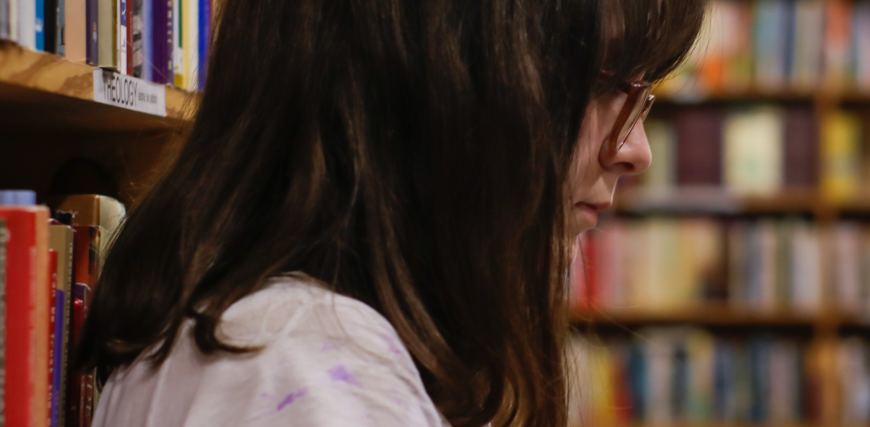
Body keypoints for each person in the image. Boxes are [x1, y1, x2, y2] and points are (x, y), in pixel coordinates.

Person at [75, 0, 707, 425]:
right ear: (434, 78)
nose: (635, 151)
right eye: (603, 84)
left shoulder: (277, 341)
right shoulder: (295, 372)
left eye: (643, 99)